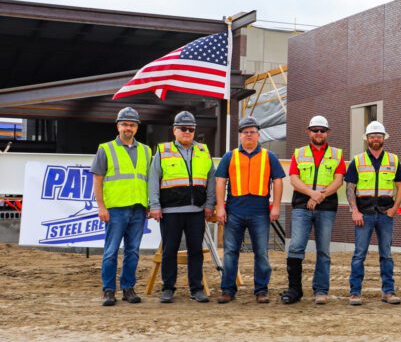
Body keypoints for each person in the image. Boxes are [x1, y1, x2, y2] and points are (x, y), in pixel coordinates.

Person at [214, 116, 285, 304]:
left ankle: (261, 290)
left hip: (260, 212)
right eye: (245, 132)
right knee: (230, 252)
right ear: (240, 135)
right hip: (234, 212)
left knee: (261, 252)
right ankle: (228, 290)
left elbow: (277, 181)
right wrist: (220, 207)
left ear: (258, 135)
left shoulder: (269, 156)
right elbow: (220, 181)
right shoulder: (230, 156)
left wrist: (276, 206)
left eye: (252, 132)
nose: (249, 135)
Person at [147, 110, 215, 304]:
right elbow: (153, 180)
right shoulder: (163, 151)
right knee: (170, 251)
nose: (187, 132)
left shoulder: (203, 151)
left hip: (196, 211)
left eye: (191, 129)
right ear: (174, 130)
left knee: (196, 251)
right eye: (183, 128)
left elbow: (211, 179)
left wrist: (210, 204)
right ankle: (168, 288)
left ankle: (196, 288)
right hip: (170, 211)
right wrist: (155, 205)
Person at [91, 107, 152, 307]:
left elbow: (149, 180)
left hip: (138, 208)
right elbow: (97, 180)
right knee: (110, 252)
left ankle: (128, 288)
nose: (128, 128)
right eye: (125, 124)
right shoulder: (106, 149)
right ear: (118, 126)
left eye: (132, 125)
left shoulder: (146, 150)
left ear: (136, 128)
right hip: (116, 209)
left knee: (133, 251)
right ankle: (108, 290)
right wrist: (101, 207)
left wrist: (150, 205)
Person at [283, 115, 345, 305]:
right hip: (302, 205)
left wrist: (321, 196)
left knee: (323, 250)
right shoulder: (299, 153)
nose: (319, 133)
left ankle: (321, 290)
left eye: (322, 130)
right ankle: (294, 290)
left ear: (328, 133)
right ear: (308, 132)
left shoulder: (336, 154)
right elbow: (294, 178)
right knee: (296, 247)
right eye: (315, 130)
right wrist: (312, 194)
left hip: (326, 207)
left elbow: (338, 179)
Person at [345, 121, 401, 306]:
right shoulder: (358, 161)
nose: (375, 139)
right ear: (367, 139)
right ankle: (355, 293)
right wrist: (354, 211)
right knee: (359, 255)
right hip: (364, 215)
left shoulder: (393, 160)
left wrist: (394, 209)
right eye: (372, 136)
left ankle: (388, 292)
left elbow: (400, 187)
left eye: (379, 136)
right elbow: (350, 187)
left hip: (386, 215)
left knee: (386, 255)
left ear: (383, 138)